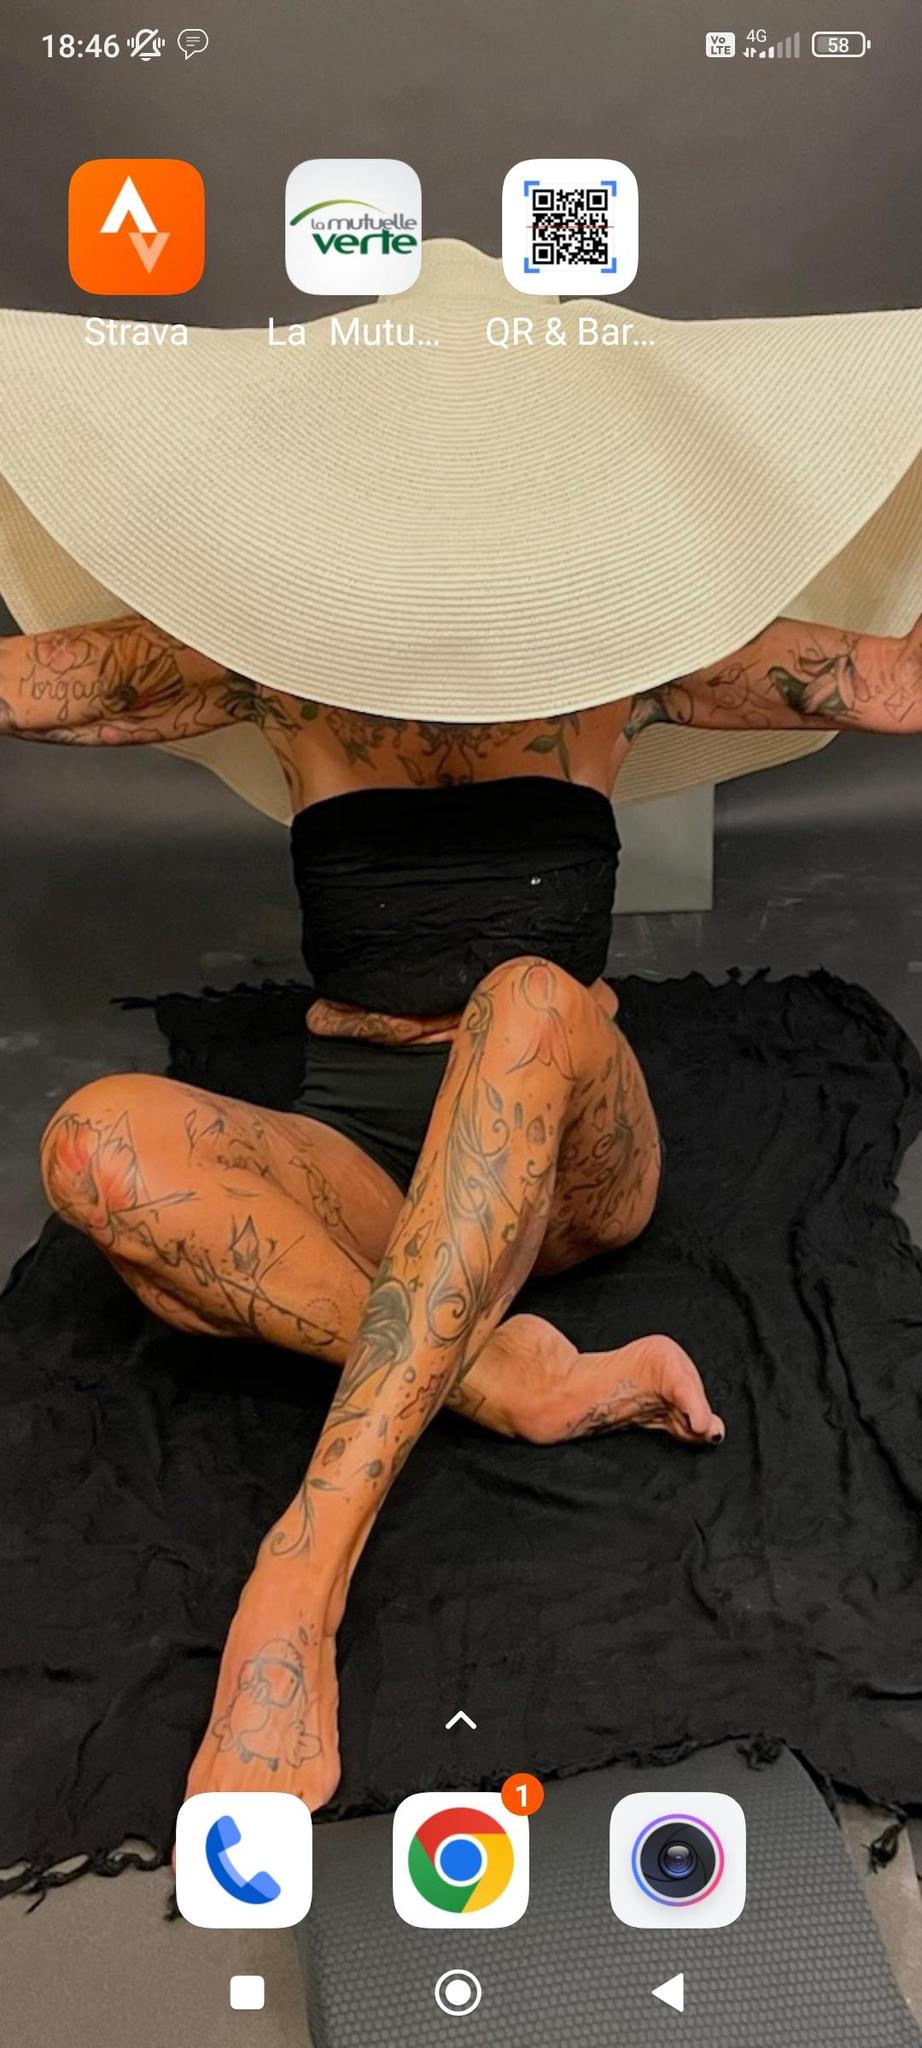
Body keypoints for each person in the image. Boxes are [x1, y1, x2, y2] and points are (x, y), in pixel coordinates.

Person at [2, 607, 920, 1813]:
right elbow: (27, 684)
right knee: (93, 1142)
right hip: (361, 1158)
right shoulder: (275, 661)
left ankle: (299, 1579)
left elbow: (893, 680)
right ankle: (501, 1376)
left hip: (569, 1155)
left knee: (525, 997)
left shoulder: (620, 654)